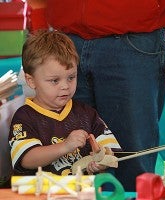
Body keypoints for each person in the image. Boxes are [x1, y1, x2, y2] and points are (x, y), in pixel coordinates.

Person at [28, 0, 165, 191]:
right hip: (65, 40)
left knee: (131, 163)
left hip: (134, 42)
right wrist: (39, 30)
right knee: (66, 161)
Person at [8, 30, 121, 177]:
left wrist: (100, 162)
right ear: (31, 81)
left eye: (71, 77)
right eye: (55, 80)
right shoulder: (24, 117)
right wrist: (65, 146)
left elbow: (109, 150)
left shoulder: (86, 113)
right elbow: (26, 159)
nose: (65, 86)